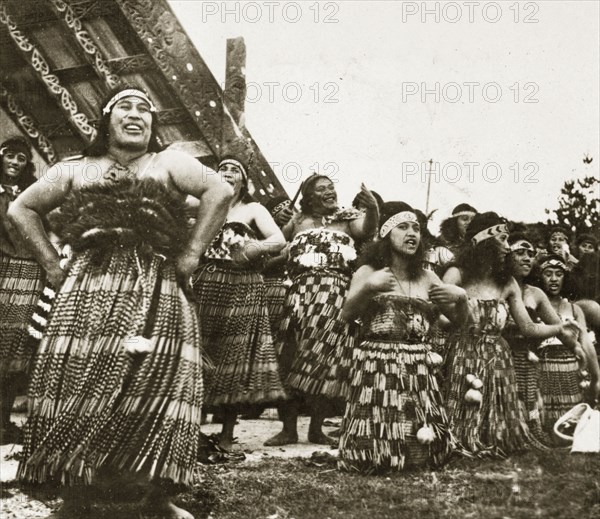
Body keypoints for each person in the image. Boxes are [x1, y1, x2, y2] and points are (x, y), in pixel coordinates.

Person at [8, 86, 233, 519]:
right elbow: (22, 208)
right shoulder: (76, 168)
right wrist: (52, 265)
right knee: (79, 384)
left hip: (158, 288)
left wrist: (191, 253)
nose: (136, 115)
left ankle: (157, 498)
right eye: (124, 107)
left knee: (158, 385)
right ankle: (76, 497)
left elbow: (218, 192)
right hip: (88, 290)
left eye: (144, 109)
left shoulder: (169, 162)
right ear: (105, 119)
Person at [337, 201, 468, 472]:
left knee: (420, 452)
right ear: (386, 234)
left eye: (417, 229)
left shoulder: (428, 277)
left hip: (418, 367)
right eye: (403, 227)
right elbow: (346, 315)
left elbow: (461, 323)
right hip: (378, 364)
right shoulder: (368, 272)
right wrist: (368, 289)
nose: (412, 234)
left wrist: (462, 299)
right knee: (374, 454)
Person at [442, 212, 580, 456]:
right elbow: (441, 317)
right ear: (484, 242)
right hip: (463, 355)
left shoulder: (507, 282)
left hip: (497, 359)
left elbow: (528, 328)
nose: (507, 247)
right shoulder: (457, 274)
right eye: (502, 240)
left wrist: (559, 328)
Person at [265, 174, 379, 446]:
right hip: (299, 294)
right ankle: (288, 429)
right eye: (322, 189)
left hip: (335, 295)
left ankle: (316, 428)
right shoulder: (298, 220)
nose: (330, 192)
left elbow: (367, 230)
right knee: (291, 356)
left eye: (332, 187)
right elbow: (273, 248)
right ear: (309, 196)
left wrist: (373, 208)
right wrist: (282, 247)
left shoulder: (347, 217)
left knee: (326, 360)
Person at [192, 156, 287, 449]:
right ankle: (191, 431)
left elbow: (279, 240)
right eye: (223, 169)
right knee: (199, 353)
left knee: (236, 356)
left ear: (244, 181)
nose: (228, 173)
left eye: (235, 170)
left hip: (243, 287)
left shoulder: (253, 209)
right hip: (207, 285)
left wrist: (251, 248)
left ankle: (225, 434)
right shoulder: (202, 204)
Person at [0, 136, 43, 445]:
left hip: (27, 271)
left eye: (21, 159)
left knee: (17, 345)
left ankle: (3, 423)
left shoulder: (30, 195)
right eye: (9, 156)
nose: (14, 163)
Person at [502, 233, 562, 442]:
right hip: (499, 358)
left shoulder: (535, 293)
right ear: (506, 254)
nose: (527, 258)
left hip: (527, 359)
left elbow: (558, 326)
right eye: (520, 252)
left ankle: (531, 431)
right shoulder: (495, 286)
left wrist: (577, 346)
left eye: (531, 253)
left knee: (529, 400)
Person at [535, 254, 600, 438]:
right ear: (540, 277)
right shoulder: (534, 303)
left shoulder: (574, 309)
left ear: (566, 277)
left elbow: (585, 343)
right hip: (542, 371)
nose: (554, 279)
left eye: (558, 274)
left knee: (571, 424)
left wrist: (596, 378)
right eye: (548, 273)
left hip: (572, 372)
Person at [430, 204, 477, 275]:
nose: (469, 222)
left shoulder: (477, 242)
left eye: (473, 220)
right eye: (465, 219)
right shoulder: (442, 242)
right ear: (455, 222)